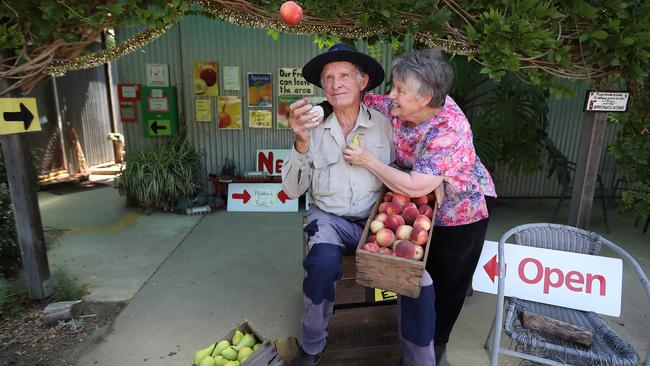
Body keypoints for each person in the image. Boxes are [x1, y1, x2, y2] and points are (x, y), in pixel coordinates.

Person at [282, 44, 437, 366]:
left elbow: (408, 170)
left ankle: (419, 360)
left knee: (419, 282)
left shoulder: (386, 124)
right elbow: (292, 189)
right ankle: (311, 347)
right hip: (328, 218)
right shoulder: (311, 128)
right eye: (328, 78)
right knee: (322, 265)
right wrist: (299, 143)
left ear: (363, 82)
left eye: (344, 76)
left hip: (377, 217)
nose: (335, 84)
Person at [340, 48, 497, 364]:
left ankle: (435, 352)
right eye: (394, 86)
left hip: (460, 214)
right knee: (416, 281)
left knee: (446, 289)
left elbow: (414, 184)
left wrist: (367, 161)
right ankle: (418, 347)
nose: (391, 95)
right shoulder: (400, 106)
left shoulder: (450, 128)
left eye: (400, 90)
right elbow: (366, 102)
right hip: (422, 205)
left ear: (425, 99)